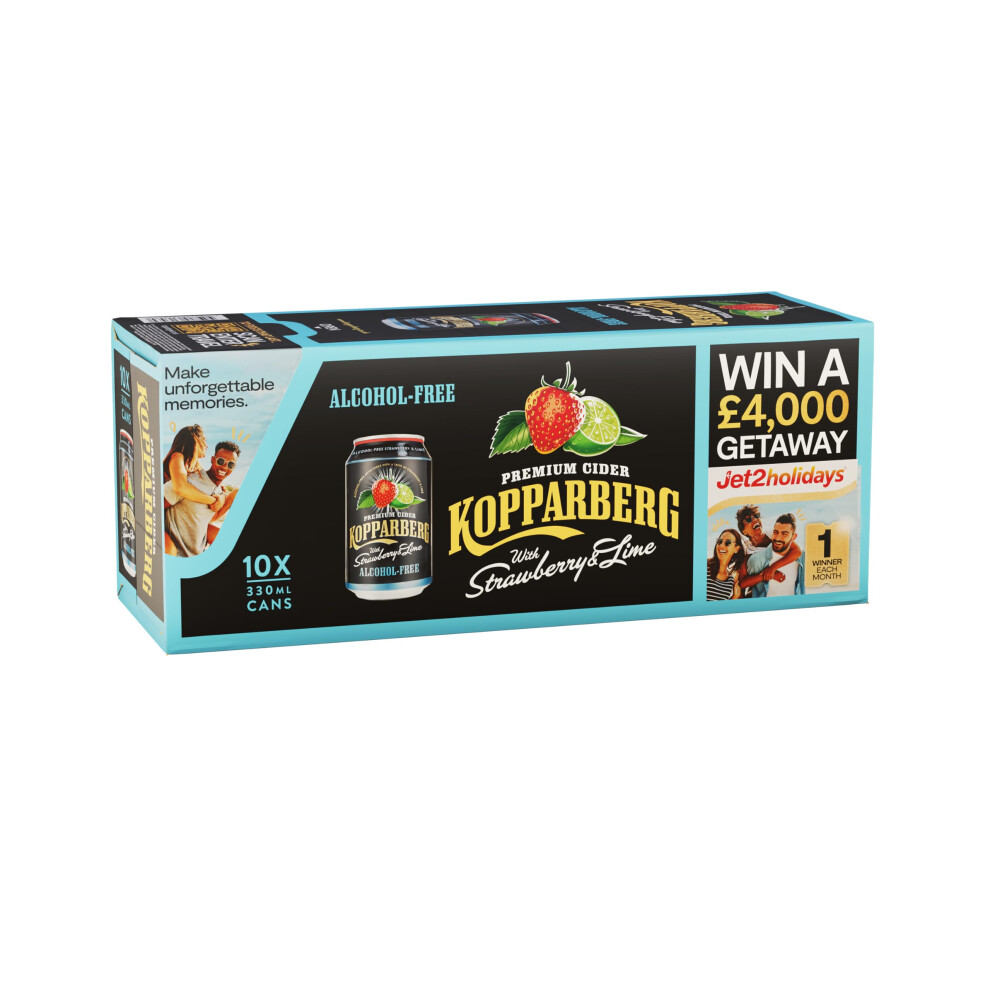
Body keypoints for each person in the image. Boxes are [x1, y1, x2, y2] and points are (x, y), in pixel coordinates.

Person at [162, 425, 226, 556]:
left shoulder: (195, 466)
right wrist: (212, 500)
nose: (207, 445)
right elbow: (181, 488)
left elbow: (208, 487)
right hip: (160, 515)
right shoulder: (177, 456)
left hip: (180, 515)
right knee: (170, 550)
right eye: (204, 440)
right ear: (195, 439)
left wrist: (222, 496)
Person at [735, 504, 802, 595]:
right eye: (749, 519)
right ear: (744, 531)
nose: (755, 519)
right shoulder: (746, 550)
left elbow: (797, 551)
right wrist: (768, 575)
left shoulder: (773, 534)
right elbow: (742, 583)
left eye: (757, 516)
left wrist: (773, 568)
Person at [205, 442, 241, 546]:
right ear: (212, 460)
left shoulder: (220, 489)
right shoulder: (196, 480)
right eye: (221, 461)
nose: (225, 467)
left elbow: (210, 518)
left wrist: (224, 496)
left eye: (231, 464)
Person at [706, 529, 745, 600]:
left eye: (728, 542)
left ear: (736, 549)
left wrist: (734, 597)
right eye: (719, 541)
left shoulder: (730, 581)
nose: (721, 545)